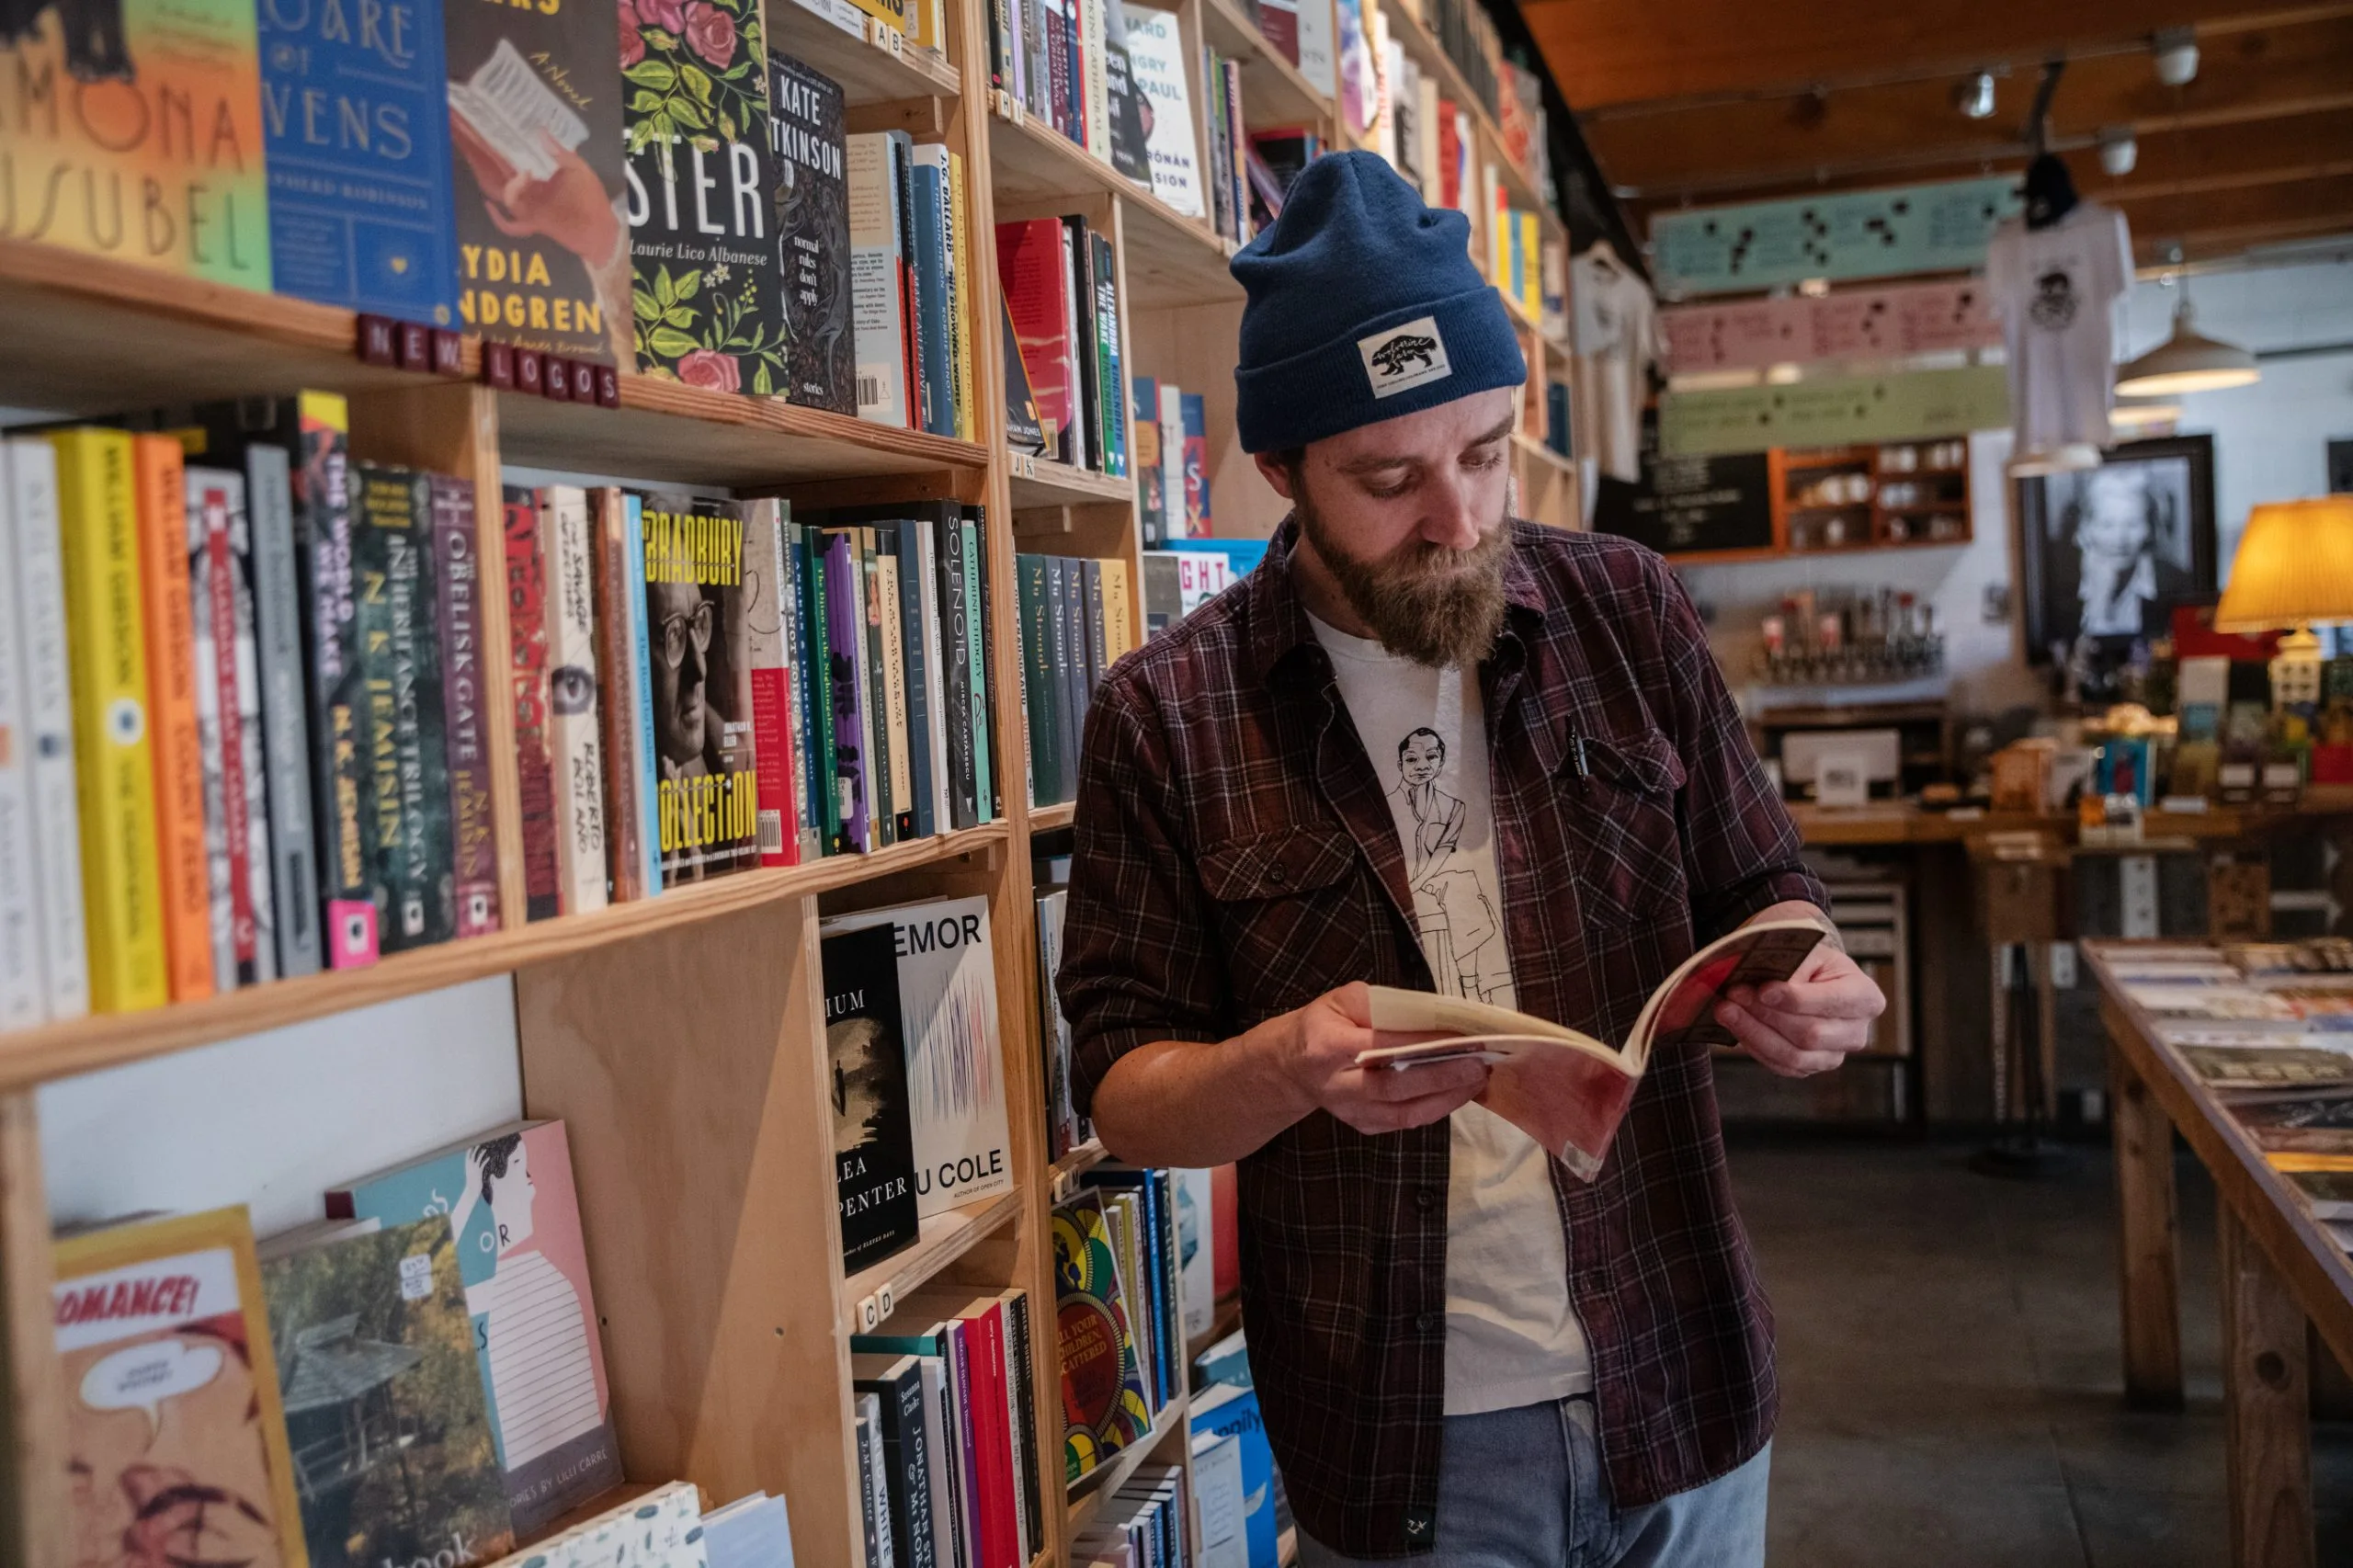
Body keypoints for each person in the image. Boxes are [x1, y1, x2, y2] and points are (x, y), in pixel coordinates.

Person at [1058, 152, 1886, 1567]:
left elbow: (1764, 881)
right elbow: (1127, 1097)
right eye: (1390, 479)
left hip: (1679, 1368)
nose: (1458, 520)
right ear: (1280, 471)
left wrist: (1816, 972)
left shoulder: (1622, 605)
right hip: (1408, 1432)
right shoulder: (1167, 713)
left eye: (1487, 452)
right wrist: (1279, 1068)